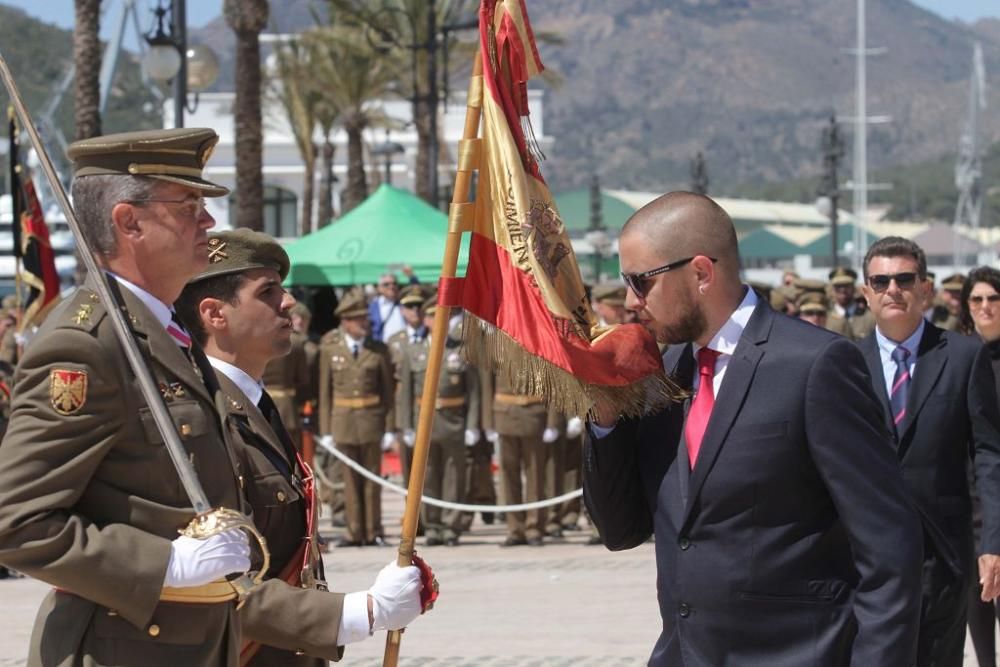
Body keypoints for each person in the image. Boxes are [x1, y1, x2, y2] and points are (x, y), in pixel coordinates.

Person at [584, 192, 922, 665]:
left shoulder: (814, 365)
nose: (629, 301)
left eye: (641, 282)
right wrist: (605, 414)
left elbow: (890, 550)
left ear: (701, 273)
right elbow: (621, 529)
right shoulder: (662, 373)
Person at [0, 128, 254, 665]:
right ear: (129, 221)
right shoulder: (86, 345)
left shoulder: (161, 332)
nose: (208, 221)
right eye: (188, 204)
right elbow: (16, 521)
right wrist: (163, 564)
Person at [176, 229, 427, 665]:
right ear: (215, 314)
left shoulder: (252, 402)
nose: (288, 302)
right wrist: (361, 612)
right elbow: (216, 584)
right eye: (268, 292)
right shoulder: (195, 420)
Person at [857, 240, 1000, 666]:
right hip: (867, 558)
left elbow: (988, 454)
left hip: (943, 555)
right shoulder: (843, 361)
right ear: (867, 292)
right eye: (880, 281)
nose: (892, 290)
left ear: (925, 288)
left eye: (904, 279)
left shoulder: (962, 356)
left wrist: (992, 540)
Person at [397, 295, 481, 546]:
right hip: (424, 421)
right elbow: (406, 393)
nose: (439, 321)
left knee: (454, 476)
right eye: (434, 316)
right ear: (426, 320)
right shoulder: (414, 351)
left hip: (454, 421)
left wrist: (473, 425)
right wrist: (406, 426)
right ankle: (432, 525)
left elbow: (474, 392)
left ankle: (451, 526)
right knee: (427, 475)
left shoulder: (461, 350)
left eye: (444, 315)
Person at [318, 290, 395, 547]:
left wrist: (390, 427)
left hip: (371, 421)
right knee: (348, 481)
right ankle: (354, 531)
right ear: (346, 322)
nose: (365, 323)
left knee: (372, 480)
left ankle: (373, 530)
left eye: (365, 318)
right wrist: (326, 429)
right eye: (359, 319)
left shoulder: (378, 351)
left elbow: (387, 392)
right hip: (343, 421)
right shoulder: (330, 349)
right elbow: (325, 392)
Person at [960, 266, 1000, 667]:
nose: (985, 307)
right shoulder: (958, 358)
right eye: (977, 299)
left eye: (993, 298)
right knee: (977, 598)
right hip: (972, 497)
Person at [828, 266, 876, 340]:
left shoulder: (870, 319)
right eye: (838, 286)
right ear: (832, 289)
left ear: (853, 287)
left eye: (847, 286)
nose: (843, 290)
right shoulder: (826, 318)